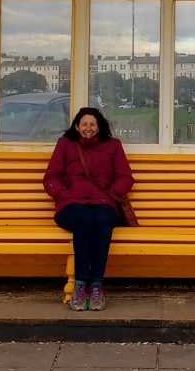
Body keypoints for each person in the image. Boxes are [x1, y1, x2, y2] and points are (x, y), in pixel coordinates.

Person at [43, 107, 134, 312]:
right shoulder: (65, 145)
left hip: (103, 202)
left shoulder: (113, 146)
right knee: (84, 218)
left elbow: (126, 177)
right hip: (71, 205)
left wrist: (111, 192)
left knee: (102, 219)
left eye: (92, 124)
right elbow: (51, 177)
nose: (88, 128)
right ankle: (81, 283)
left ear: (99, 126)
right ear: (76, 127)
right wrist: (64, 195)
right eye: (84, 124)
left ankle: (97, 285)